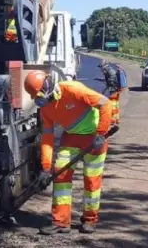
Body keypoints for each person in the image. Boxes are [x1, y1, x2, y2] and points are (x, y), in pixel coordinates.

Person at [23, 70, 114, 235]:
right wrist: (45, 168)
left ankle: (90, 220)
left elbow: (105, 104)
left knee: (92, 180)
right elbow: (47, 139)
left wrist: (101, 134)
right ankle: (61, 221)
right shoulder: (45, 110)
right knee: (60, 175)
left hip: (94, 138)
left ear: (48, 85)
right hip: (71, 137)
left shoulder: (73, 89)